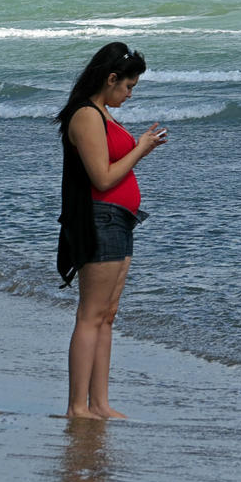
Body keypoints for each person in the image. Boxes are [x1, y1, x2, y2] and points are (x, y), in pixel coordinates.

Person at [55, 42, 167, 419]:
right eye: (129, 87)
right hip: (99, 217)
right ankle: (76, 406)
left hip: (120, 218)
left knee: (108, 314)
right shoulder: (87, 116)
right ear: (111, 78)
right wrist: (141, 149)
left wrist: (137, 146)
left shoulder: (105, 113)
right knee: (91, 313)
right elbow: (102, 179)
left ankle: (99, 403)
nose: (130, 94)